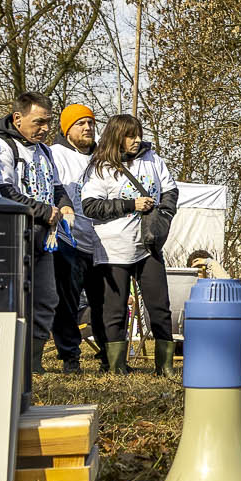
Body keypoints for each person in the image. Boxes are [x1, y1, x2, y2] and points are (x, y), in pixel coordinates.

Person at [78, 114, 178, 376]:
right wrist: (129, 205)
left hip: (148, 244)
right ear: (116, 137)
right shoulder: (99, 168)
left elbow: (170, 190)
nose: (137, 140)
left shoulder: (152, 159)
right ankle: (117, 366)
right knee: (115, 309)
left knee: (159, 305)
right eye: (130, 136)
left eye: (138, 134)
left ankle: (164, 365)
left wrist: (163, 216)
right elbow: (90, 206)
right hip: (114, 249)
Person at [0, 92, 75, 373]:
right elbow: (4, 190)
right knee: (14, 301)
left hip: (45, 237)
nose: (45, 128)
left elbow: (57, 187)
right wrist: (41, 210)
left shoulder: (46, 151)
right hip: (15, 235)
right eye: (38, 122)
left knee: (47, 298)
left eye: (48, 122)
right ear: (17, 118)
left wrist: (65, 206)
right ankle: (9, 361)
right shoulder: (2, 147)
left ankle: (33, 361)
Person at [48, 104, 98, 372]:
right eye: (80, 123)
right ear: (67, 129)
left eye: (90, 122)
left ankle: (108, 356)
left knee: (104, 304)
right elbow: (54, 190)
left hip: (102, 242)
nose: (87, 127)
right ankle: (70, 356)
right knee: (66, 303)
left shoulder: (104, 157)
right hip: (69, 239)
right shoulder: (55, 155)